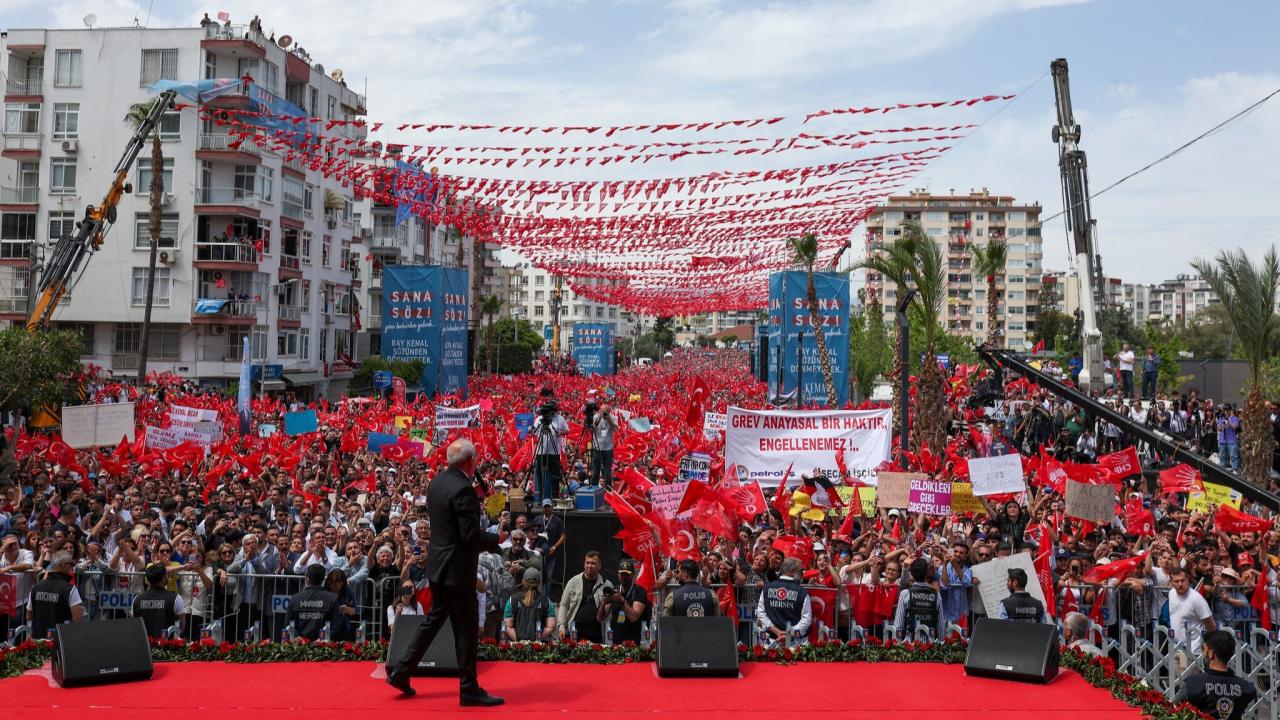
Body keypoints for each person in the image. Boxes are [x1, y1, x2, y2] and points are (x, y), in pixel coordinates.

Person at [383, 439, 503, 707]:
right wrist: (497, 538)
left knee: (434, 620)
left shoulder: (438, 482)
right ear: (470, 461)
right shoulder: (464, 490)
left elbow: (450, 515)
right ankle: (469, 689)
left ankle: (402, 671)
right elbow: (469, 535)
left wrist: (474, 497)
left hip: (439, 566)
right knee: (467, 629)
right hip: (457, 570)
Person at [1174, 629, 1258, 720]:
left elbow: (1171, 708)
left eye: (1203, 649)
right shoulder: (1246, 687)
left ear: (1211, 653)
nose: (1203, 653)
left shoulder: (1193, 683)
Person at [1168, 566, 1216, 674]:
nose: (1180, 584)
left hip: (1192, 650)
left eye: (1182, 580)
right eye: (1176, 581)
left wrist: (1207, 646)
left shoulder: (1196, 599)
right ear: (1171, 582)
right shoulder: (1171, 593)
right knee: (1177, 683)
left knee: (1189, 685)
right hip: (1175, 646)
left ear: (1188, 579)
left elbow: (1211, 625)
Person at [27, 551, 85, 639]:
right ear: (62, 565)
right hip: (61, 642)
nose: (72, 568)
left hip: (37, 640)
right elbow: (78, 619)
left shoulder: (36, 587)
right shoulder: (70, 589)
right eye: (71, 564)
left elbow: (28, 615)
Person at [556, 551, 611, 642]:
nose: (589, 566)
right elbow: (563, 605)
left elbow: (608, 613)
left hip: (597, 635)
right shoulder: (573, 582)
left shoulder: (607, 585)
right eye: (587, 562)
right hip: (574, 633)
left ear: (600, 566)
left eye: (593, 563)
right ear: (584, 564)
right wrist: (561, 627)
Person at [756, 557, 811, 645]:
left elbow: (761, 613)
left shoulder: (767, 587)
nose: (803, 574)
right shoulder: (801, 591)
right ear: (792, 572)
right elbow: (806, 619)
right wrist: (788, 634)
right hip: (795, 643)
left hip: (773, 641)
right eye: (801, 570)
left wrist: (776, 631)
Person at [531, 390, 569, 503]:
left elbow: (567, 431)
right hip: (541, 451)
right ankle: (541, 497)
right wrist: (531, 432)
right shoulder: (539, 419)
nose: (550, 413)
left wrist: (559, 433)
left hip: (554, 452)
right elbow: (534, 431)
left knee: (555, 475)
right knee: (540, 474)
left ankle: (555, 497)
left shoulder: (560, 419)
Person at [893, 557, 944, 640]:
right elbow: (940, 624)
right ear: (927, 573)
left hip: (909, 645)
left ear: (911, 574)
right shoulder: (936, 595)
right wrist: (941, 643)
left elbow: (898, 623)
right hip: (929, 645)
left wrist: (895, 645)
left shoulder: (905, 594)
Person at [133, 562, 185, 638]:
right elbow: (182, 624)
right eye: (166, 575)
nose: (168, 576)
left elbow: (135, 624)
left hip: (144, 646)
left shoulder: (136, 599)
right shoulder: (175, 598)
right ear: (163, 579)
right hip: (166, 647)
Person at [503, 568, 556, 642]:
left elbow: (508, 626)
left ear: (523, 581)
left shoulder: (512, 599)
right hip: (539, 648)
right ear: (539, 583)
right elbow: (551, 627)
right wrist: (537, 641)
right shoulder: (546, 600)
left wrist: (520, 642)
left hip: (517, 649)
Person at [603, 558, 650, 643]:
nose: (624, 577)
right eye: (622, 574)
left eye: (627, 574)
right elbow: (601, 617)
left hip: (633, 642)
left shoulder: (639, 591)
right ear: (618, 574)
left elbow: (633, 617)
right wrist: (604, 602)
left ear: (633, 574)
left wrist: (621, 600)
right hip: (615, 642)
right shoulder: (614, 590)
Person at [289, 563, 339, 641]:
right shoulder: (332, 598)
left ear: (307, 579)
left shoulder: (294, 598)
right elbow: (336, 624)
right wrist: (325, 637)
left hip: (300, 646)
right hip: (323, 646)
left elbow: (288, 623)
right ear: (323, 579)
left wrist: (296, 636)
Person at [530, 499, 564, 596]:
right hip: (538, 553)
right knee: (537, 574)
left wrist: (554, 547)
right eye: (545, 506)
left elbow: (563, 536)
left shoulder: (557, 520)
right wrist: (532, 543)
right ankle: (537, 596)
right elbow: (531, 532)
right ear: (542, 508)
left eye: (548, 506)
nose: (547, 508)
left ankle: (546, 597)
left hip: (550, 553)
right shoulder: (537, 519)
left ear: (552, 507)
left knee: (548, 576)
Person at [589, 402, 617, 488]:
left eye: (606, 412)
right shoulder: (595, 417)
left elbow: (616, 429)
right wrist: (598, 420)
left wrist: (609, 420)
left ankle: (608, 491)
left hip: (608, 449)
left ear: (609, 412)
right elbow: (591, 429)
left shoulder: (613, 418)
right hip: (597, 448)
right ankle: (594, 489)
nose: (604, 413)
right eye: (602, 411)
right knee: (595, 472)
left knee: (607, 472)